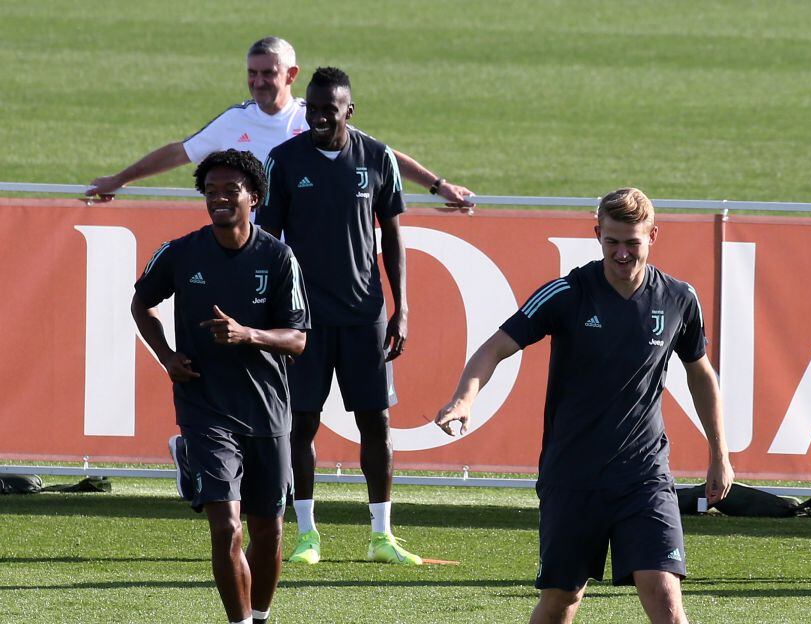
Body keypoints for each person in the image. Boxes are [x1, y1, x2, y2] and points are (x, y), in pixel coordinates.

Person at [435, 188, 735, 624]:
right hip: (573, 475)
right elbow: (496, 346)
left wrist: (719, 456)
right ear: (597, 234)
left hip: (644, 475)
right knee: (562, 598)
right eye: (612, 241)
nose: (622, 252)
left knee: (665, 594)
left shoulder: (678, 298)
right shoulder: (567, 292)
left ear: (654, 235)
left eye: (632, 242)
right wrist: (464, 399)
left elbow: (701, 373)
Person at [132, 149, 310, 624]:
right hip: (204, 405)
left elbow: (297, 339)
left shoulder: (278, 257)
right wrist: (167, 357)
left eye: (230, 191)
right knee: (227, 526)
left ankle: (261, 616)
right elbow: (141, 304)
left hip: (266, 410)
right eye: (211, 192)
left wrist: (247, 334)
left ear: (254, 197)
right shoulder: (180, 252)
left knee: (268, 531)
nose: (219, 200)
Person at [257, 66, 420, 566]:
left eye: (331, 108)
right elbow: (267, 240)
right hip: (305, 318)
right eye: (313, 108)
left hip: (364, 314)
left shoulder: (377, 158)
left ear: (350, 110)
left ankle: (381, 536)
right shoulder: (284, 160)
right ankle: (307, 534)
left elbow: (390, 235)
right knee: (301, 422)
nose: (321, 117)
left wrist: (401, 307)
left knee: (376, 422)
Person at [86, 36, 474, 209]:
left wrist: (439, 186)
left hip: (310, 249)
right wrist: (119, 180)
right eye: (252, 73)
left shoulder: (315, 117)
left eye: (267, 73)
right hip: (257, 248)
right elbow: (179, 152)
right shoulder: (234, 120)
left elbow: (381, 155)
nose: (257, 82)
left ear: (290, 74)